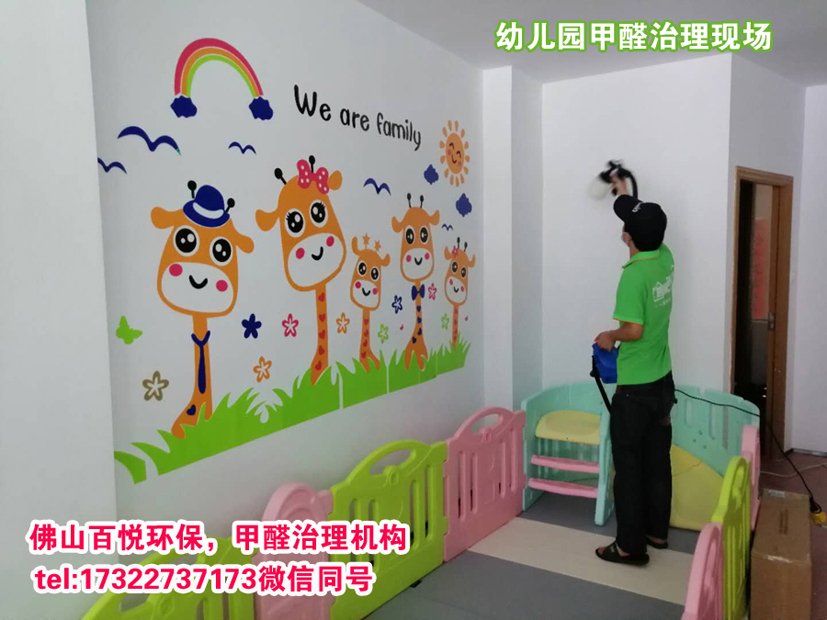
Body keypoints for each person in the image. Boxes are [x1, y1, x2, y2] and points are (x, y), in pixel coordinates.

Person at [594, 175, 676, 566]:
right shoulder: (664, 257)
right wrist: (624, 193)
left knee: (627, 468)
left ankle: (628, 546)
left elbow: (635, 330)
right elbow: (642, 222)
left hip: (635, 390)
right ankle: (657, 532)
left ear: (627, 237)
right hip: (663, 382)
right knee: (658, 461)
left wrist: (610, 336)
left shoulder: (632, 277)